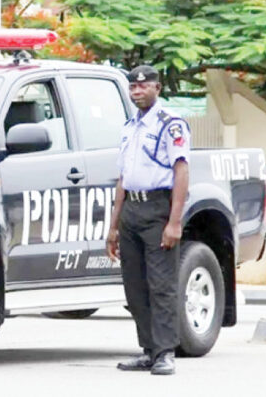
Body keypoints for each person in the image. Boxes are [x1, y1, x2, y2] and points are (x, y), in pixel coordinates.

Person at [106, 65, 191, 376]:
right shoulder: (130, 126)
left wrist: (174, 221)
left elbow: (181, 171)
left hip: (158, 208)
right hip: (131, 209)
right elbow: (122, 179)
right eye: (133, 87)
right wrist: (114, 226)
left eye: (144, 86)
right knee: (135, 286)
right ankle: (149, 350)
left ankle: (166, 352)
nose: (137, 91)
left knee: (161, 284)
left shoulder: (171, 125)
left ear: (157, 88)